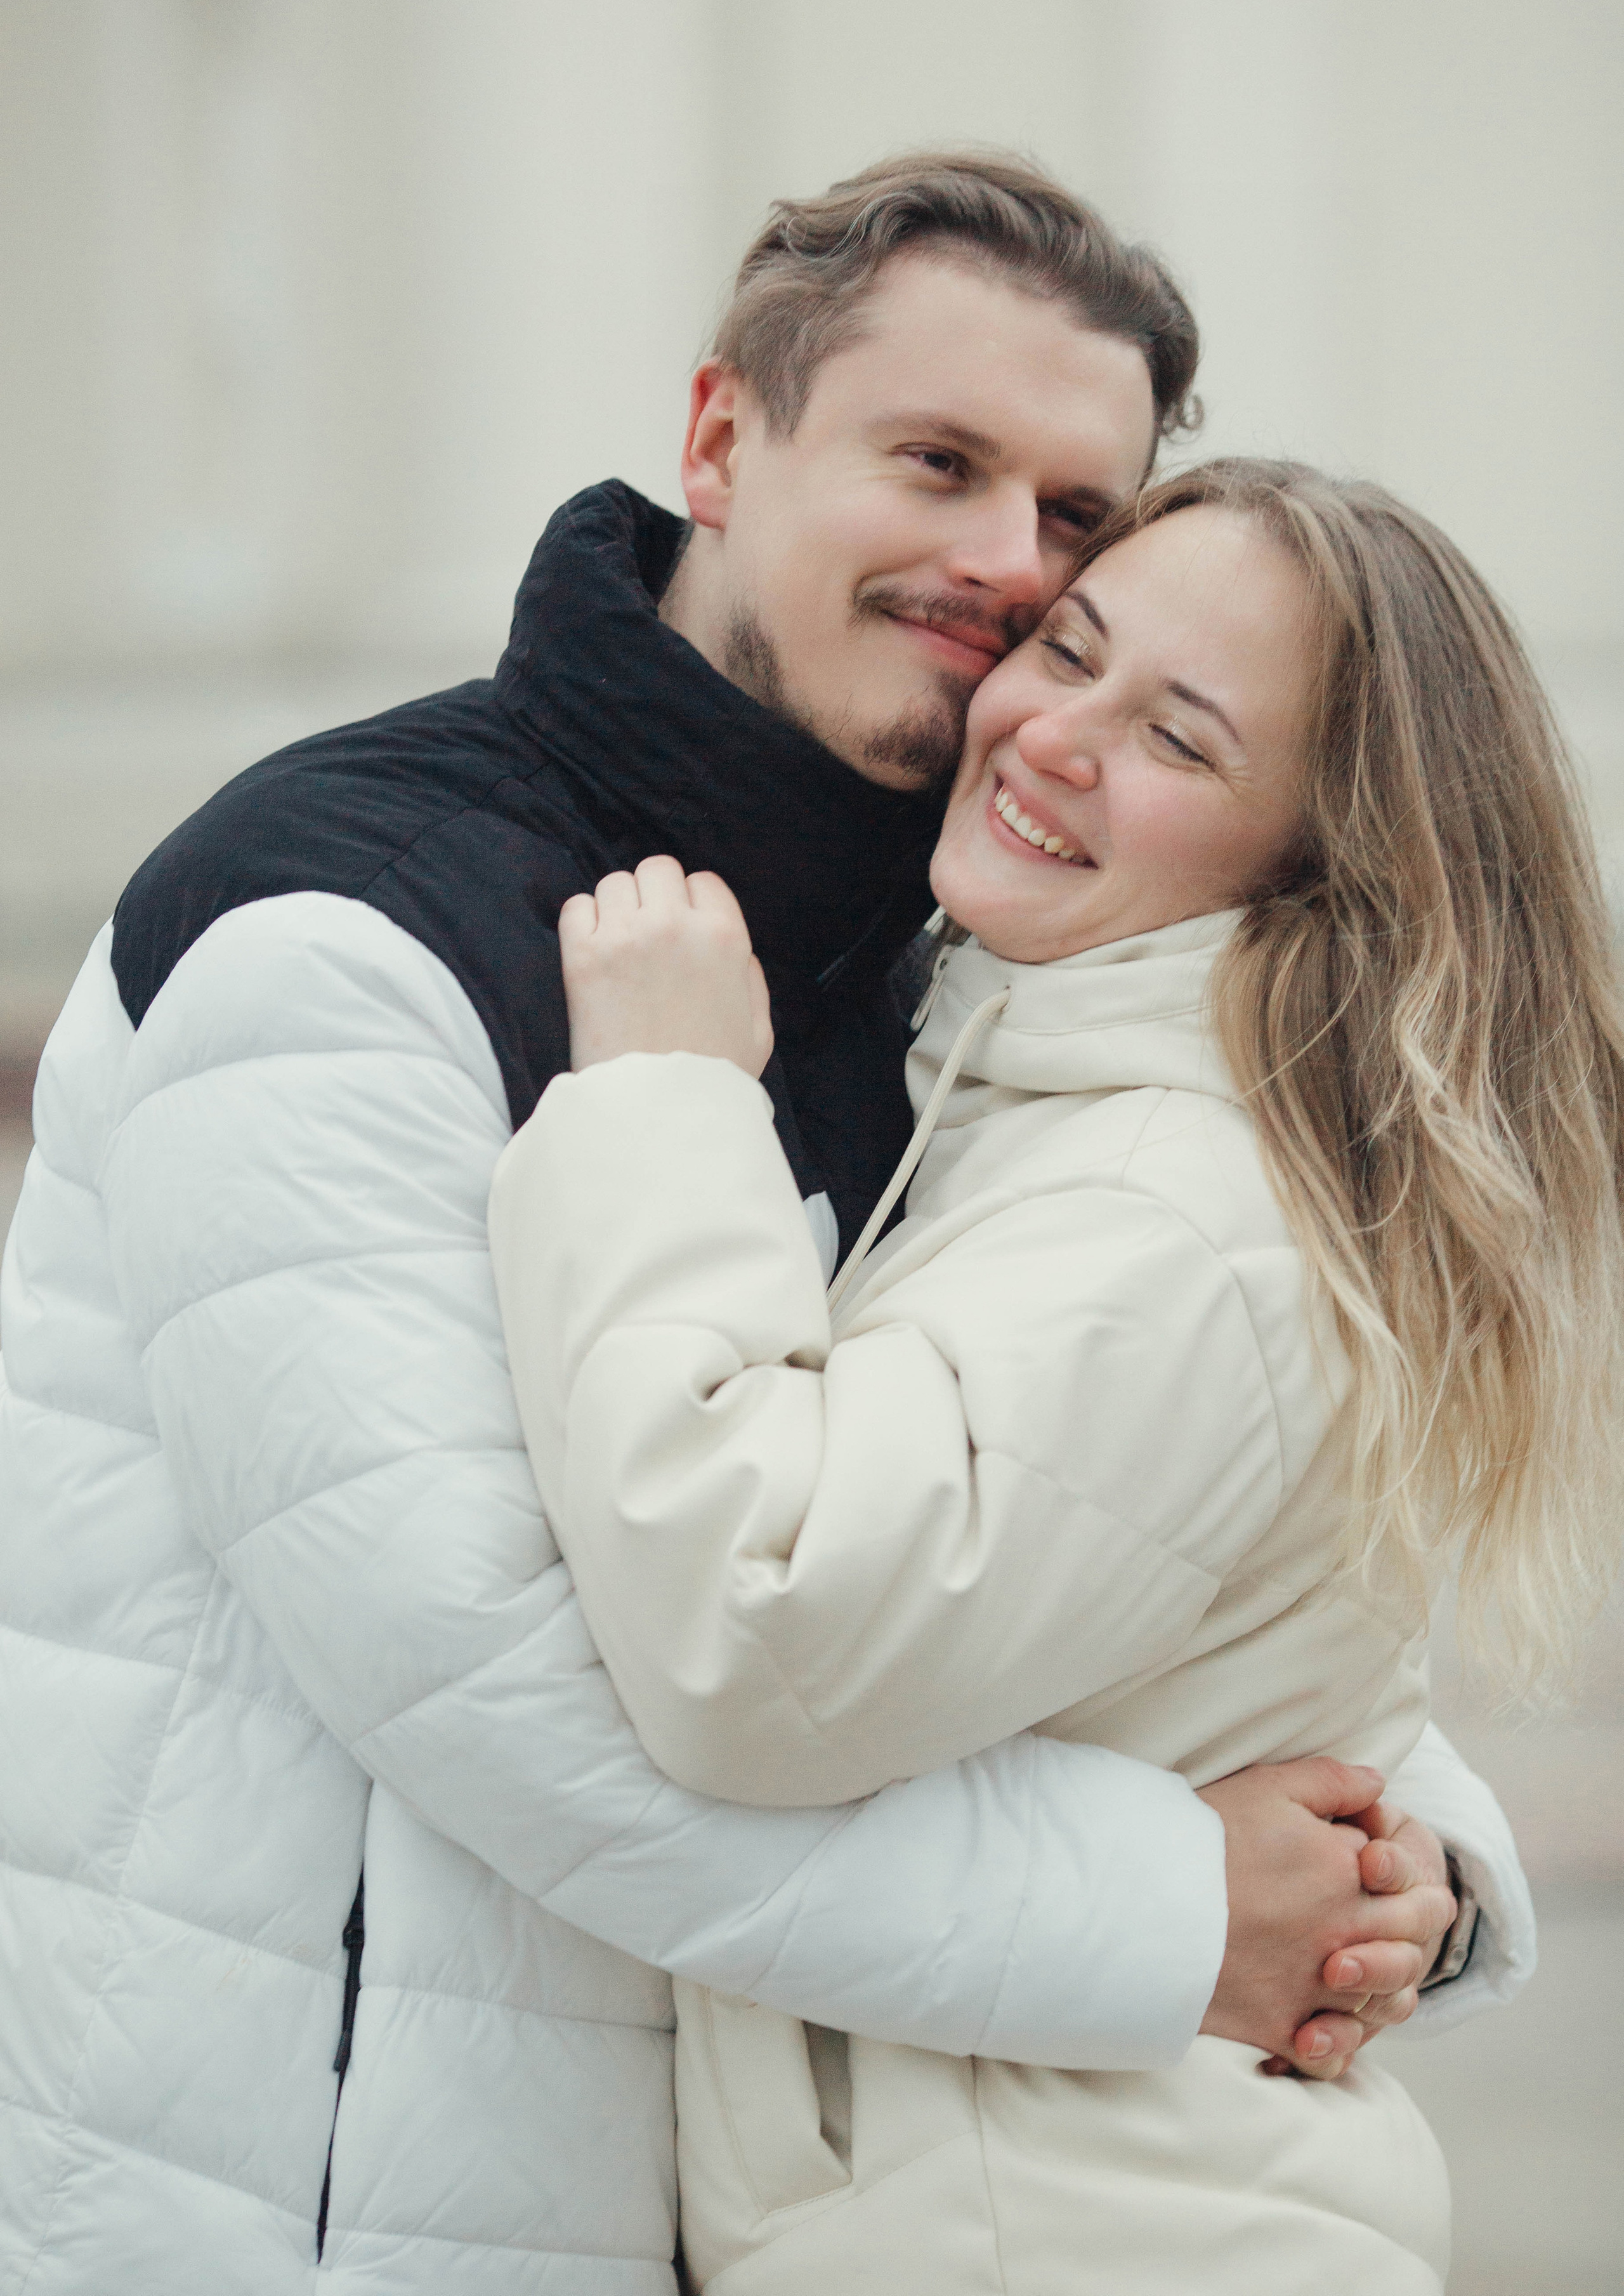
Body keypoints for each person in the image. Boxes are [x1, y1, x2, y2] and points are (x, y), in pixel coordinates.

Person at [0, 156, 1525, 2291]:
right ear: (722, 439)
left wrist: (1401, 1863)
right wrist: (1184, 1912)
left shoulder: (946, 972)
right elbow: (536, 1718)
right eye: (938, 462)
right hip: (292, 2218)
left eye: (1073, 515)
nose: (1006, 566)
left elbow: (1068, 1527)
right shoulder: (338, 930)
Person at [490, 458, 1624, 2292]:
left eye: (1178, 736)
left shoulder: (1178, 1214)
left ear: (1312, 861)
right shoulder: (1066, 1100)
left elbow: (759, 1635)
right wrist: (1408, 1871)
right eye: (1069, 650)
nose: (1052, 735)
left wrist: (660, 1104)